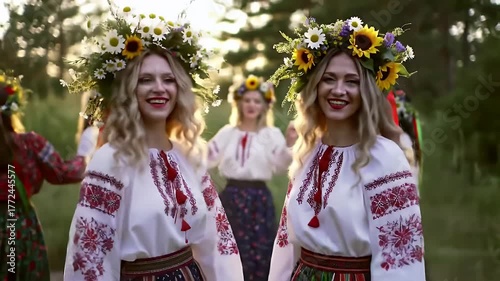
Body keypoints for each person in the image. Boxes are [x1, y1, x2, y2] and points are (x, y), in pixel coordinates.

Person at [62, 8, 244, 281]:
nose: (159, 88)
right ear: (129, 91)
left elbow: (216, 242)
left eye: (168, 79)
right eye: (145, 80)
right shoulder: (110, 160)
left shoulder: (188, 155)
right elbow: (90, 257)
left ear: (179, 90)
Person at [267, 17, 425, 280]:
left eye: (351, 81)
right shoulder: (307, 150)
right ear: (315, 86)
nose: (338, 90)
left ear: (366, 91)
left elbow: (400, 255)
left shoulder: (385, 157)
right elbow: (286, 242)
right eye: (329, 79)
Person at [0, 70, 96, 281]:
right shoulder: (29, 144)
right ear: (13, 108)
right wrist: (85, 151)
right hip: (19, 229)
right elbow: (66, 172)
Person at [207, 75, 295, 280]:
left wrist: (290, 144)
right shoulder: (228, 132)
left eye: (257, 101)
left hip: (258, 199)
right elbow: (206, 158)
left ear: (265, 106)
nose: (251, 105)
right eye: (247, 100)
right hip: (231, 198)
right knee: (231, 246)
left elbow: (282, 166)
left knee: (258, 249)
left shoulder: (270, 134)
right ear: (238, 103)